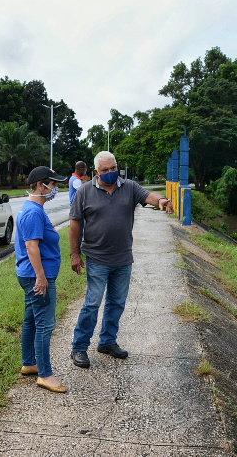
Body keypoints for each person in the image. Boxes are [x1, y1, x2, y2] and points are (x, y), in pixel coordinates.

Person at [69, 151, 173, 368]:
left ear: (118, 168)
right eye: (105, 170)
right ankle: (79, 347)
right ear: (96, 172)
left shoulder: (129, 187)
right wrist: (74, 254)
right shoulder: (85, 192)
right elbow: (75, 224)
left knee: (116, 303)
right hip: (97, 258)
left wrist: (161, 200)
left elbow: (149, 196)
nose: (110, 173)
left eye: (113, 169)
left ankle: (107, 342)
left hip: (123, 258)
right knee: (92, 303)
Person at [15, 166, 69, 393]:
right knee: (45, 324)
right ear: (40, 185)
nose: (55, 189)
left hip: (32, 275)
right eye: (53, 185)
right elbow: (31, 247)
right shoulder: (33, 212)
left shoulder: (35, 208)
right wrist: (41, 278)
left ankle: (30, 363)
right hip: (36, 276)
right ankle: (45, 375)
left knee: (31, 320)